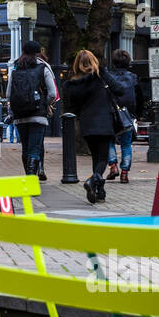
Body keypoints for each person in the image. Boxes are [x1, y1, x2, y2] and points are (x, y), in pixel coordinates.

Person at [63, 49, 117, 204]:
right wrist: (104, 72)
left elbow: (70, 108)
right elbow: (119, 89)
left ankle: (100, 191)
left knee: (96, 156)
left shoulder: (71, 84)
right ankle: (93, 181)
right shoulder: (100, 77)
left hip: (86, 124)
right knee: (103, 158)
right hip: (104, 122)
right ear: (94, 61)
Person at [5, 39, 57, 180]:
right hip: (38, 115)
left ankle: (28, 178)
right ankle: (31, 181)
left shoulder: (15, 68)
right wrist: (44, 103)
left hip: (20, 115)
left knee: (26, 149)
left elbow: (8, 94)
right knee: (35, 149)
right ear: (38, 52)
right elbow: (52, 93)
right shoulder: (43, 67)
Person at [105, 48, 144, 184]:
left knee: (109, 141)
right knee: (126, 144)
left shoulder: (108, 76)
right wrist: (137, 115)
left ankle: (113, 165)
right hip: (127, 115)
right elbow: (140, 98)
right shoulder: (133, 78)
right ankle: (125, 173)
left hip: (110, 114)